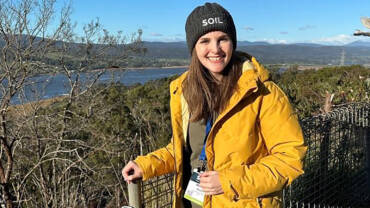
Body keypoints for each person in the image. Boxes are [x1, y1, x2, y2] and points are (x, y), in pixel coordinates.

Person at [122, 2, 306, 208]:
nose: (215, 49)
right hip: (193, 203)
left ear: (232, 42)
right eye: (205, 41)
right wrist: (145, 165)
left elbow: (290, 159)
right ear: (194, 47)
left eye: (222, 39)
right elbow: (184, 150)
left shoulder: (263, 93)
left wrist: (228, 182)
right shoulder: (185, 91)